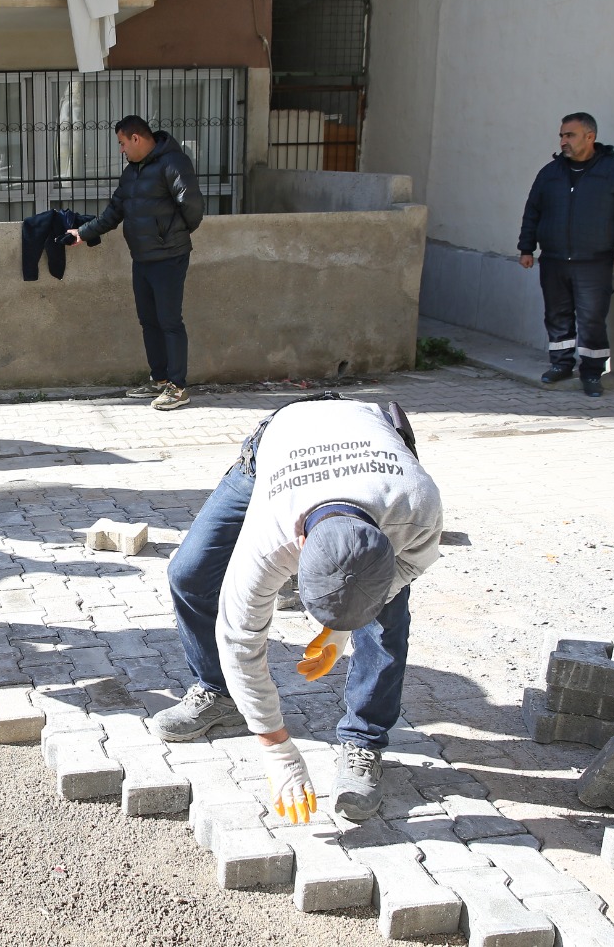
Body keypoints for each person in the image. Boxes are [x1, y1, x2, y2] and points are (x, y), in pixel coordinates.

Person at [153, 394, 442, 823]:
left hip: (368, 452)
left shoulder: (417, 507)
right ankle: (220, 692)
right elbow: (241, 641)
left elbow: (409, 566)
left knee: (386, 622)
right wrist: (276, 748)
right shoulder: (269, 538)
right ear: (300, 547)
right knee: (190, 574)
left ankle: (364, 741)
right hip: (277, 448)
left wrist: (341, 627)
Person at [66, 115, 204, 412]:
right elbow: (114, 212)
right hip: (141, 258)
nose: (121, 150)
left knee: (169, 322)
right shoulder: (132, 173)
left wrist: (171, 235)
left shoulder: (173, 163)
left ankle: (178, 388)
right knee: (149, 321)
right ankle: (159, 379)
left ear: (136, 139)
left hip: (169, 257)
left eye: (122, 143)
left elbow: (192, 206)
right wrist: (83, 233)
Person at [518, 112, 614, 398]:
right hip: (554, 259)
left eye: (569, 135)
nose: (563, 141)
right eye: (561, 135)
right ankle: (561, 364)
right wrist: (526, 248)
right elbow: (533, 210)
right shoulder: (551, 172)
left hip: (594, 260)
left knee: (591, 318)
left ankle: (591, 372)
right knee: (557, 316)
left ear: (590, 136)